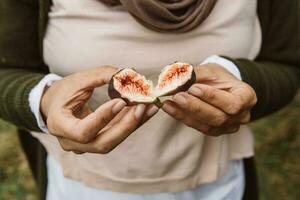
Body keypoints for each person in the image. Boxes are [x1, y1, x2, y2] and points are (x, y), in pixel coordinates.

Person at [0, 0, 299, 199]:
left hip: (216, 185)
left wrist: (242, 78)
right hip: (80, 187)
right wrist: (43, 100)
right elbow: (6, 70)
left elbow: (288, 63)